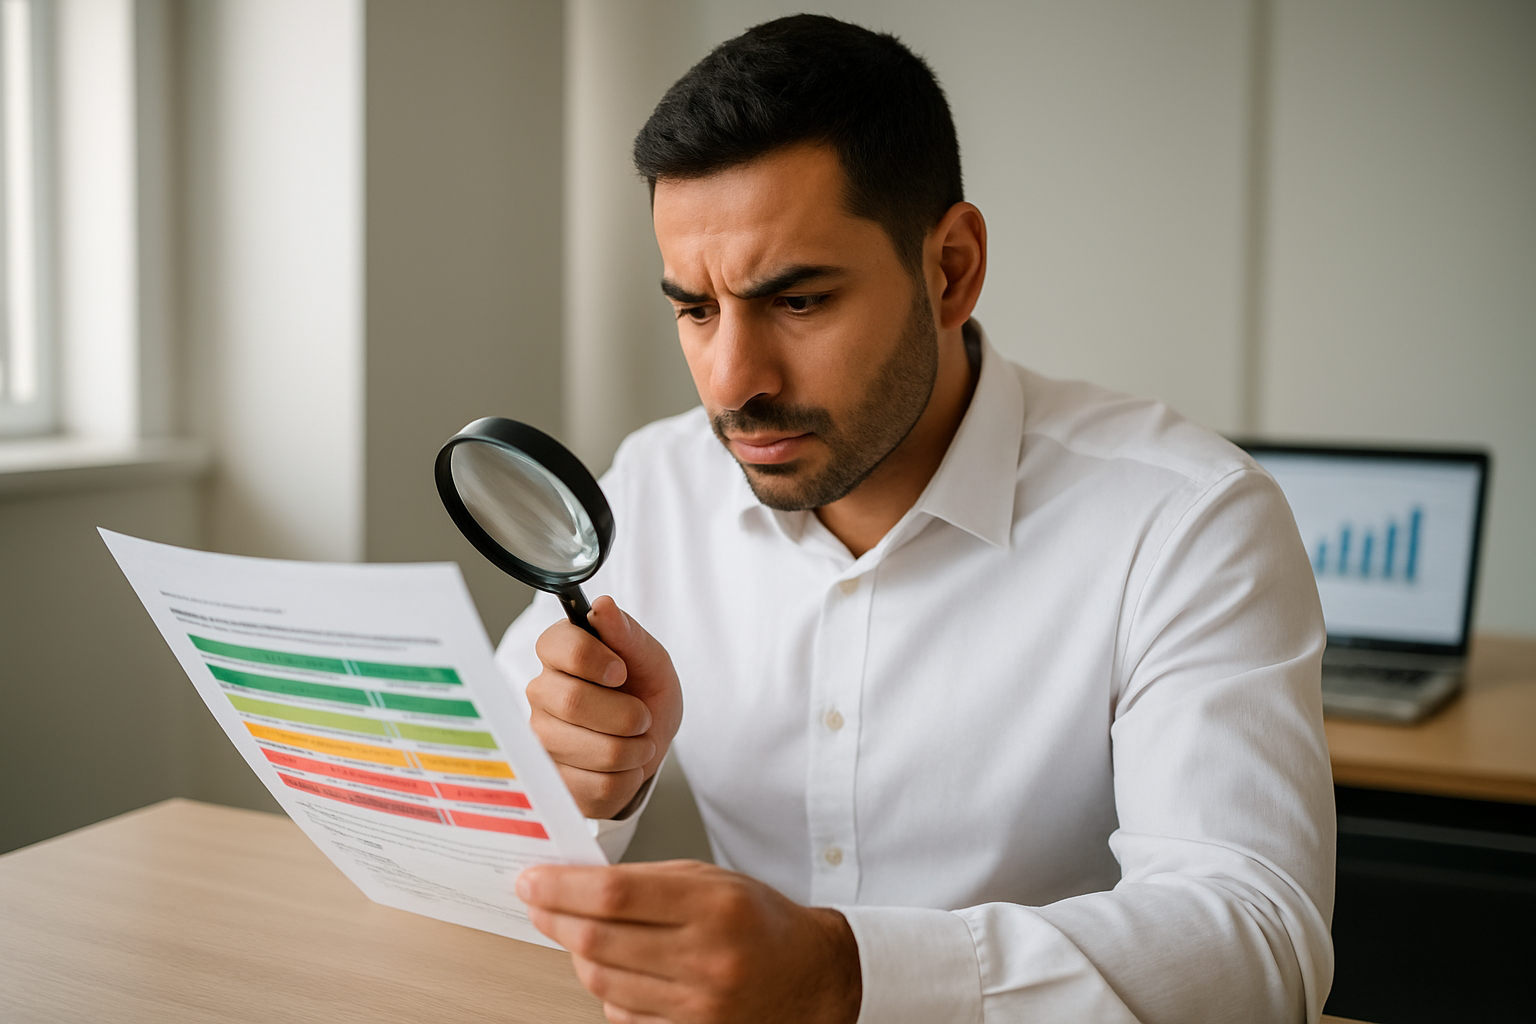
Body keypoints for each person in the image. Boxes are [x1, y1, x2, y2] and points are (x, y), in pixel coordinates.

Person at [499, 14, 1334, 1024]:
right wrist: (584, 784)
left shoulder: (1189, 521)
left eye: (798, 302)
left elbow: (1259, 944)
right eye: (695, 309)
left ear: (951, 268)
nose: (733, 384)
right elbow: (480, 807)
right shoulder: (656, 485)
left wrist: (842, 973)